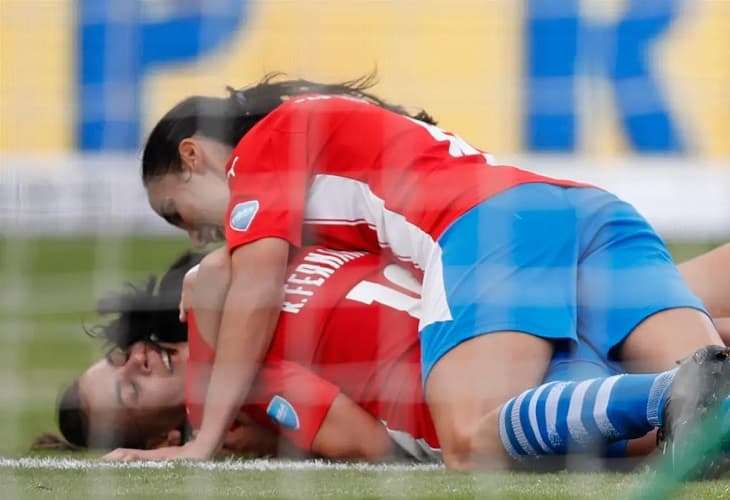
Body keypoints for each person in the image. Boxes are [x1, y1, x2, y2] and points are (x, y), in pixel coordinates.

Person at [138, 74, 722, 467]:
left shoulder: (259, 152)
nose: (196, 235)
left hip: (490, 227)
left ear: (192, 155)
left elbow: (255, 287)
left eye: (178, 211)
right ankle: (678, 390)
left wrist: (205, 439)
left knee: (470, 442)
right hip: (579, 210)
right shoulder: (318, 131)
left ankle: (665, 395)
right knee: (712, 415)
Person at [62, 244, 728, 468]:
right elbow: (365, 442)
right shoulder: (243, 384)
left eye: (123, 358)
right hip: (495, 372)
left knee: (691, 336)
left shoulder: (257, 273)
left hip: (504, 318)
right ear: (167, 437)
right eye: (126, 391)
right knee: (695, 366)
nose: (139, 361)